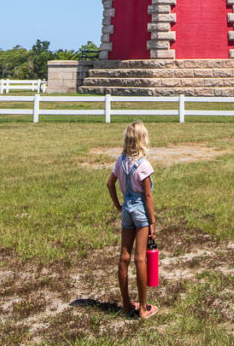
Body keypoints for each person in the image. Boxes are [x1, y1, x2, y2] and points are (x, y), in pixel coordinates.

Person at [106, 120, 158, 319]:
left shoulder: (120, 161)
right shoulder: (144, 165)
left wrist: (118, 205)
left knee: (124, 257)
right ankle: (143, 308)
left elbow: (110, 184)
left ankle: (126, 304)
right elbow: (147, 196)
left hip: (127, 209)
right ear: (142, 140)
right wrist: (152, 221)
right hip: (140, 211)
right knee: (140, 258)